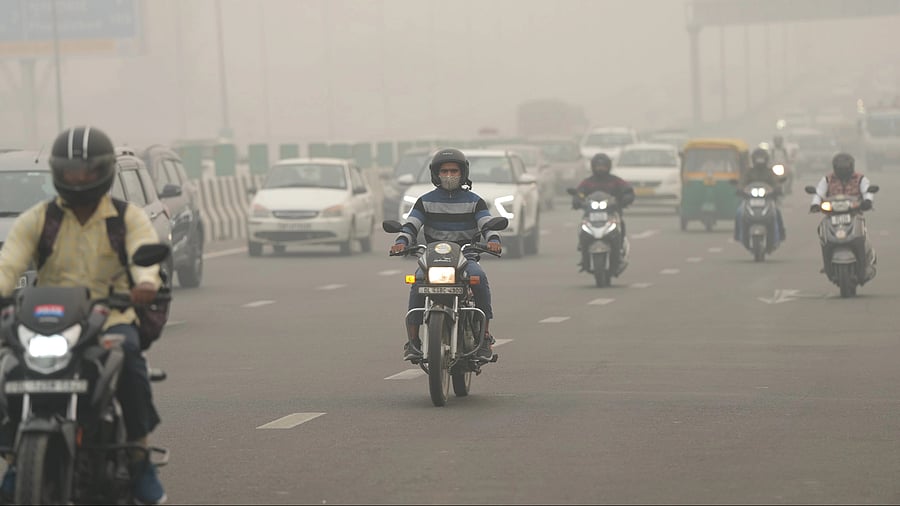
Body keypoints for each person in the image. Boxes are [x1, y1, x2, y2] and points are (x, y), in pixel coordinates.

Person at [0, 126, 167, 504]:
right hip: (45, 323)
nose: (79, 179)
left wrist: (145, 284)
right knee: (7, 368)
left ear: (104, 171)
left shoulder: (127, 219)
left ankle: (140, 459)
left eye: (87, 171)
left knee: (131, 366)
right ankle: (14, 458)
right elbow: (7, 264)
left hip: (107, 320)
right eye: (71, 171)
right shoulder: (38, 219)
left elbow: (145, 253)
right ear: (58, 172)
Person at [390, 148, 502, 363]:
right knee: (417, 283)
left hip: (465, 256)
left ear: (463, 173)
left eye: (454, 171)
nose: (449, 175)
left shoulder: (475, 201)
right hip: (432, 258)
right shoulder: (424, 201)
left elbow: (487, 224)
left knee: (479, 278)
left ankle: (485, 336)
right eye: (444, 171)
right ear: (436, 174)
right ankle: (413, 341)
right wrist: (401, 242)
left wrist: (494, 240)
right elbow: (411, 226)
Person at [809, 152, 876, 273]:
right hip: (832, 215)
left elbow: (867, 191)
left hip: (854, 214)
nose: (843, 171)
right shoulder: (827, 179)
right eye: (840, 168)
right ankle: (827, 263)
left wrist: (867, 201)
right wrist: (815, 204)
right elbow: (819, 192)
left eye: (845, 168)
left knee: (861, 235)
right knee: (821, 230)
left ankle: (866, 262)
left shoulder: (860, 179)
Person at [572, 153, 634, 272]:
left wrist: (626, 197)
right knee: (583, 228)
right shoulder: (588, 182)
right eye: (598, 166)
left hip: (611, 214)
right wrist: (577, 200)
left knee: (621, 225)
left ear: (608, 166)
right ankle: (583, 253)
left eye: (603, 166)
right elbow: (579, 192)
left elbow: (627, 190)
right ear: (593, 167)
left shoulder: (615, 181)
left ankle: (620, 250)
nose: (600, 168)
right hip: (591, 215)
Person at [734, 147, 787, 243]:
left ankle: (781, 234)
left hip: (768, 199)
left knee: (777, 213)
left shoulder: (770, 172)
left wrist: (777, 189)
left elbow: (776, 183)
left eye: (762, 158)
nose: (760, 161)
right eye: (758, 158)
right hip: (750, 199)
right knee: (739, 212)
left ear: (766, 159)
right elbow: (742, 183)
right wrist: (740, 189)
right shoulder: (749, 172)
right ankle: (738, 235)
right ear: (753, 159)